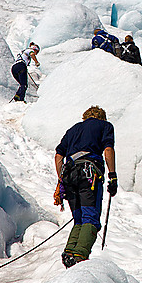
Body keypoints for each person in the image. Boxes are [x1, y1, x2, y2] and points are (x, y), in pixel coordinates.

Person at [54, 106, 117, 267]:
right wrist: (112, 175)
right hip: (89, 175)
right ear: (101, 117)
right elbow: (108, 149)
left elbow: (59, 155)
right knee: (90, 217)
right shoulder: (105, 126)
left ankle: (69, 253)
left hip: (69, 176)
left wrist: (61, 179)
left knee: (79, 219)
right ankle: (80, 256)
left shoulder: (73, 130)